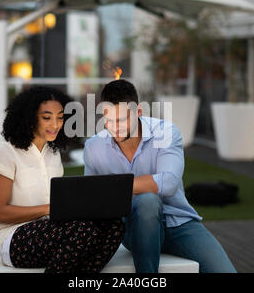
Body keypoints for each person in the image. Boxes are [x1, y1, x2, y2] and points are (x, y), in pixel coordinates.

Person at [83, 79, 236, 273]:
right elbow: (90, 198)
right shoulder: (94, 147)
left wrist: (111, 187)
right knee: (147, 201)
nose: (115, 126)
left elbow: (169, 182)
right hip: (131, 228)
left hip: (177, 224)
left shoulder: (165, 133)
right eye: (108, 119)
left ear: (138, 112)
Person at [0, 86, 125, 273]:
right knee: (83, 229)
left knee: (115, 226)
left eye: (60, 117)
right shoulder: (5, 152)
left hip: (52, 230)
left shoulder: (52, 154)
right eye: (47, 117)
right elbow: (0, 213)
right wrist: (50, 209)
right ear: (30, 118)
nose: (56, 124)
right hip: (12, 238)